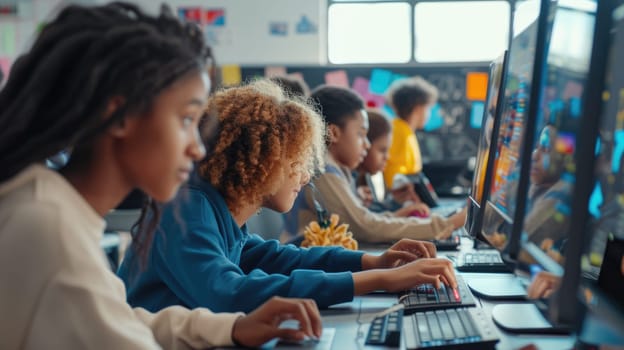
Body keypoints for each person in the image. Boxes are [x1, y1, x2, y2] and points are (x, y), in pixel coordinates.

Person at [0, 3, 321, 348]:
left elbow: (117, 316)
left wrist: (232, 328)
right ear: (120, 115)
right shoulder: (50, 228)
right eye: (186, 120)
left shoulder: (49, 206)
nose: (198, 148)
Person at [118, 80, 457, 315]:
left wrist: (373, 262)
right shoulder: (186, 208)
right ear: (262, 161)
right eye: (297, 163)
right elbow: (227, 292)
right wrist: (376, 280)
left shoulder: (217, 209)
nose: (306, 175)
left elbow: (273, 257)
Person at [284, 85, 466, 243]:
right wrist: (448, 224)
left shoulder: (332, 169)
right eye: (361, 134)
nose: (367, 144)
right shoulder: (323, 173)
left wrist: (395, 216)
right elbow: (365, 227)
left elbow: (363, 221)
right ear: (334, 133)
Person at [354, 108, 428, 217]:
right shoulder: (350, 182)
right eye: (382, 150)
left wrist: (396, 202)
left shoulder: (366, 178)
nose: (387, 158)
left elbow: (374, 213)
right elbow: (368, 224)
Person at [383, 76, 438, 189]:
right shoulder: (400, 131)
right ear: (418, 108)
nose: (428, 114)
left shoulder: (404, 130)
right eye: (427, 108)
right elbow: (393, 174)